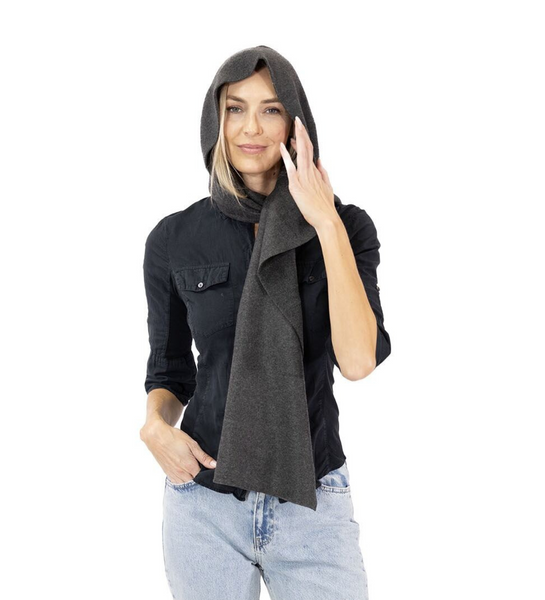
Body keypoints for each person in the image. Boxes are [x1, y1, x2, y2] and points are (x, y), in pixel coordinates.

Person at [139, 45, 391, 600]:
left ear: (296, 123)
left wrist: (324, 222)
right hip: (204, 503)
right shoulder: (175, 239)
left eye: (271, 109)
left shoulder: (347, 227)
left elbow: (357, 361)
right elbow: (170, 369)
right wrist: (155, 425)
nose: (251, 127)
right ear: (215, 120)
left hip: (313, 501)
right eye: (235, 108)